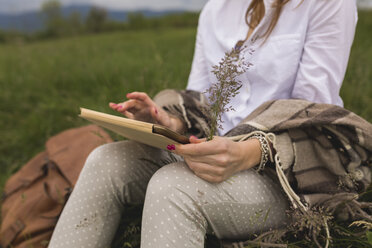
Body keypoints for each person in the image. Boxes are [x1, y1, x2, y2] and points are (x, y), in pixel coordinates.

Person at [48, 0, 359, 247]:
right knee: (106, 161)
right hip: (212, 152)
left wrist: (249, 153)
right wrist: (167, 120)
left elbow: (312, 116)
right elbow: (201, 101)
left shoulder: (328, 3)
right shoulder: (216, 8)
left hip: (278, 171)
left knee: (173, 187)